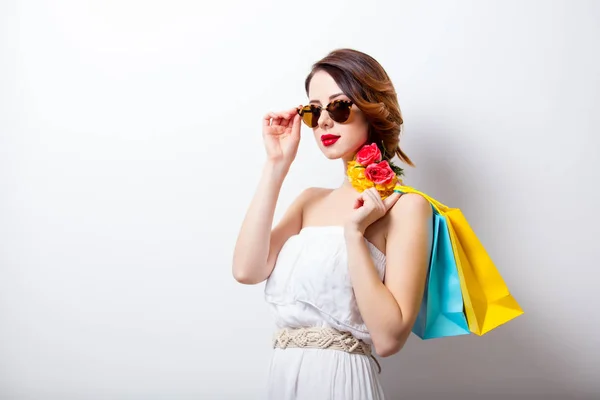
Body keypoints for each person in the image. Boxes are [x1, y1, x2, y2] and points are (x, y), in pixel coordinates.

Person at [231, 48, 434, 400]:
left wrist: (355, 235)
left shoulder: (406, 208)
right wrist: (276, 165)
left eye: (339, 106)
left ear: (371, 109)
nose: (324, 120)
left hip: (342, 383)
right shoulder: (310, 200)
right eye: (314, 110)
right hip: (283, 379)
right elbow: (246, 270)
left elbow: (388, 339)